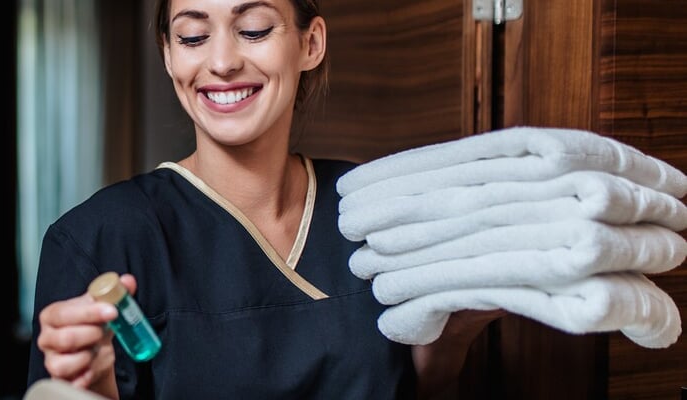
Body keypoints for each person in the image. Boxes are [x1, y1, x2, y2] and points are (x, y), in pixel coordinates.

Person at [26, 0, 505, 398]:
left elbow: (421, 386)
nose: (222, 61)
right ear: (169, 55)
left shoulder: (372, 209)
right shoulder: (97, 240)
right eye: (193, 37)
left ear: (310, 43)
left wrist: (453, 334)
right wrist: (90, 389)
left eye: (253, 29)